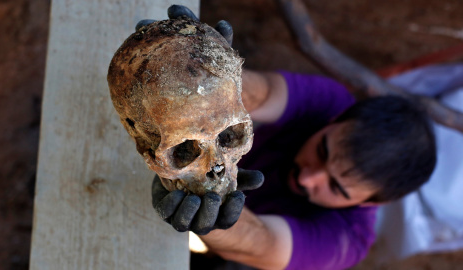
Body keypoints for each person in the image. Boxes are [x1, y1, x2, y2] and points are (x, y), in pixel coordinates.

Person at [149, 5, 437, 270]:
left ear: (369, 203)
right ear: (336, 120)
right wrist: (211, 73)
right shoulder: (332, 102)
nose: (308, 178)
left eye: (337, 188)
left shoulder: (348, 240)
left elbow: (264, 244)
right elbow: (263, 93)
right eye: (323, 151)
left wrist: (213, 213)